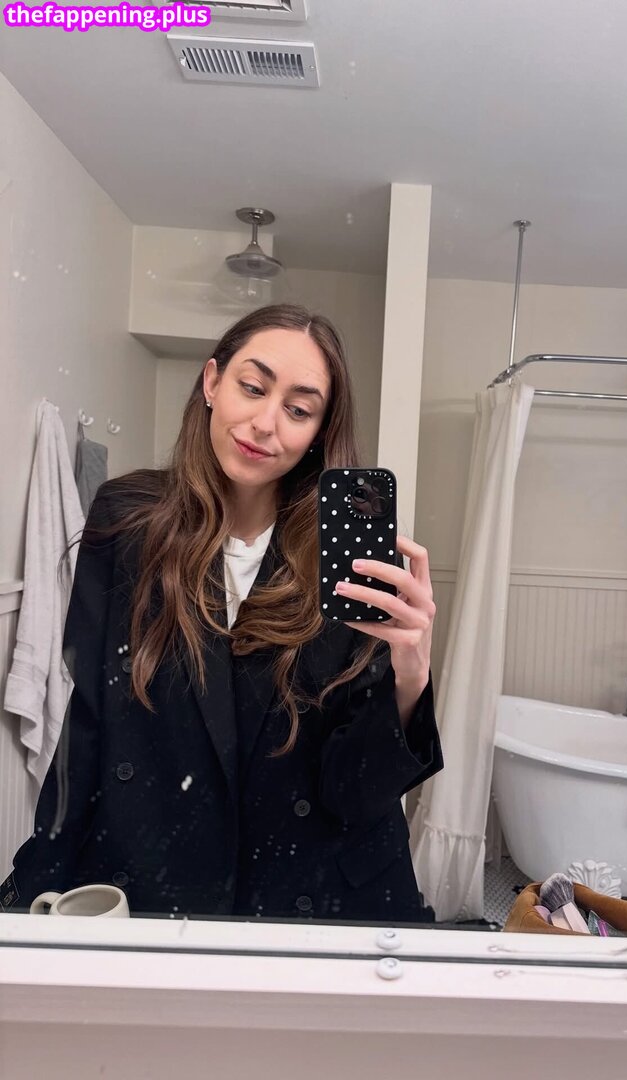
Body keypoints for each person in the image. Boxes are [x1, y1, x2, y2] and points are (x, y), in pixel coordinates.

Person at [2, 303, 443, 923]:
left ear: (319, 431)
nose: (266, 424)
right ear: (212, 382)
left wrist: (411, 674)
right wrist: (36, 879)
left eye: (299, 410)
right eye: (253, 387)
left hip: (314, 893)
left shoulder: (345, 558)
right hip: (160, 872)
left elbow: (357, 791)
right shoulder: (126, 518)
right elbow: (91, 719)